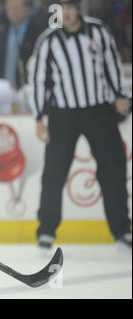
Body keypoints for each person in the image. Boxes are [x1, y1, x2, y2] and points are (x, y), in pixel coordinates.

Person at [29, 0, 132, 254]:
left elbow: (112, 64)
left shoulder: (98, 31)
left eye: (71, 6)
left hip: (99, 110)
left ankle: (121, 230)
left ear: (78, 9)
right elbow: (39, 79)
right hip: (63, 113)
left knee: (113, 168)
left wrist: (120, 94)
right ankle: (46, 230)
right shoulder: (49, 40)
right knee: (54, 172)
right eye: (62, 8)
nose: (67, 13)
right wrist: (39, 117)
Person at [0, 0, 44, 89]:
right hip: (3, 92)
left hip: (29, 90)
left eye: (18, 7)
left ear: (27, 8)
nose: (14, 11)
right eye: (11, 8)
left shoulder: (38, 33)